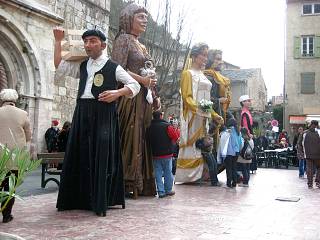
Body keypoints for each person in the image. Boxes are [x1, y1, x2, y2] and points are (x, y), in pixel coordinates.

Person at [53, 27, 140, 216]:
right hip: (82, 111)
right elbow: (59, 65)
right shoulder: (82, 65)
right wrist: (58, 41)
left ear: (103, 44)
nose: (87, 45)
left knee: (100, 156)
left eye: (92, 41)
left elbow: (135, 85)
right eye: (85, 41)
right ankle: (77, 199)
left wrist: (117, 93)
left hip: (103, 113)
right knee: (78, 153)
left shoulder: (113, 66)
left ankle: (100, 202)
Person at [111, 3, 159, 198]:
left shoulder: (142, 44)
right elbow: (117, 68)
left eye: (145, 17)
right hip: (129, 97)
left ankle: (141, 184)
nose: (144, 20)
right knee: (130, 138)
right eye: (140, 17)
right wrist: (142, 80)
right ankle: (124, 181)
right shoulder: (123, 40)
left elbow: (146, 72)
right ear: (129, 19)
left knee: (142, 138)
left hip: (143, 98)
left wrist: (154, 94)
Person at [175, 43, 223, 184]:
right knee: (193, 145)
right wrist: (201, 109)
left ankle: (202, 174)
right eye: (202, 54)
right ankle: (189, 175)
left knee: (203, 146)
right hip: (193, 116)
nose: (205, 57)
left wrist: (213, 114)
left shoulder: (202, 75)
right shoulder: (187, 74)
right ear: (195, 56)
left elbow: (206, 101)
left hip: (203, 117)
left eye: (206, 55)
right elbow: (187, 97)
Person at [0, 88, 32, 223]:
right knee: (10, 186)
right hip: (15, 157)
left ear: (2, 99)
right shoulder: (23, 114)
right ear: (15, 100)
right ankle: (7, 215)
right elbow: (28, 135)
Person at [147, 111, 179, 198]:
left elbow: (148, 140)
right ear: (161, 116)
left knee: (158, 173)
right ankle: (168, 190)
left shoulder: (149, 127)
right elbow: (175, 137)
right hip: (167, 154)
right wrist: (171, 145)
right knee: (168, 172)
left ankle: (161, 192)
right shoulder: (167, 126)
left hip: (155, 154)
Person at [299, 120, 320, 188]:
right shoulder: (319, 133)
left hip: (308, 155)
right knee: (319, 168)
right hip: (318, 155)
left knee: (309, 169)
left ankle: (310, 184)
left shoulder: (304, 133)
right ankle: (318, 182)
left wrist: (301, 153)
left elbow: (299, 144)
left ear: (311, 124)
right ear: (317, 125)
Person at [223, 118, 242, 188]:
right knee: (234, 167)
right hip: (236, 152)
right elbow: (241, 143)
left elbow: (224, 141)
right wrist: (238, 150)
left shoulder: (227, 131)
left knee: (228, 168)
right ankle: (234, 183)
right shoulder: (238, 132)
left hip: (229, 152)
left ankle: (228, 183)